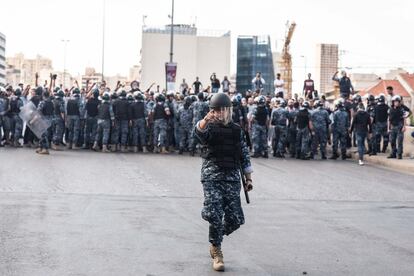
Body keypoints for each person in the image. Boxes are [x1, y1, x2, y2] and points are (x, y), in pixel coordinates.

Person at [193, 92, 253, 272]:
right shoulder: (208, 127)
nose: (220, 114)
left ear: (229, 111)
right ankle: (217, 250)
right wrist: (205, 119)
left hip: (232, 177)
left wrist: (249, 179)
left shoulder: (236, 130)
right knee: (215, 214)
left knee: (235, 219)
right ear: (212, 111)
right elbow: (199, 133)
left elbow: (244, 154)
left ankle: (217, 236)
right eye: (217, 111)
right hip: (212, 176)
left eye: (224, 110)